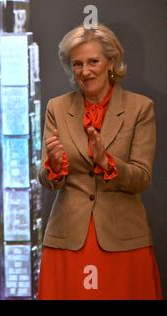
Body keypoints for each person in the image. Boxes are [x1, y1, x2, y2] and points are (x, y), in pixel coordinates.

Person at [37, 23, 163, 299]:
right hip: (68, 239)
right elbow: (47, 179)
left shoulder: (140, 108)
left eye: (93, 61)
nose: (85, 71)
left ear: (112, 62)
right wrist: (54, 168)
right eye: (77, 64)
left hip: (124, 239)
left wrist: (107, 162)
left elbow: (141, 177)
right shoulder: (56, 108)